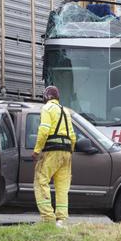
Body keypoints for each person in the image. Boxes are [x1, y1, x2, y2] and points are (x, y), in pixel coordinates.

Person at [33, 86, 76, 227]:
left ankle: (47, 218)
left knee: (41, 180)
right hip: (66, 152)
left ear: (46, 97)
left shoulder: (47, 109)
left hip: (51, 151)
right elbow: (73, 137)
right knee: (62, 187)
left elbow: (44, 130)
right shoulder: (66, 111)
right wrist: (70, 152)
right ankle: (61, 220)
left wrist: (37, 150)